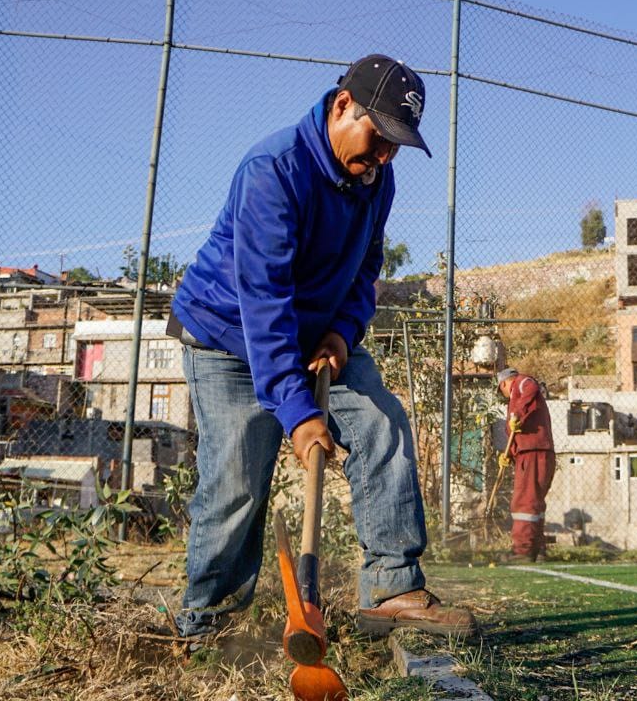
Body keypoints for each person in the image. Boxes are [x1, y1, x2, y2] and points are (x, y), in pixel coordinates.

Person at [168, 53, 476, 644]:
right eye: (378, 136)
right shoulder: (274, 170)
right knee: (238, 479)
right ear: (341, 107)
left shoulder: (375, 178)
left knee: (382, 422)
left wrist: (343, 332)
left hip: (315, 333)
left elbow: (366, 270)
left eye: (395, 145)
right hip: (228, 336)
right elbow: (264, 302)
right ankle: (207, 623)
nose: (383, 156)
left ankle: (391, 588)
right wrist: (300, 414)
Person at [496, 367, 556, 562]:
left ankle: (523, 550)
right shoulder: (518, 397)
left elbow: (530, 388)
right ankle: (537, 549)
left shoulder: (522, 383)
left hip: (533, 452)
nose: (504, 395)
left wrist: (516, 415)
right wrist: (510, 454)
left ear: (505, 383)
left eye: (502, 389)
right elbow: (515, 430)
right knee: (535, 502)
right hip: (535, 452)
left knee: (524, 502)